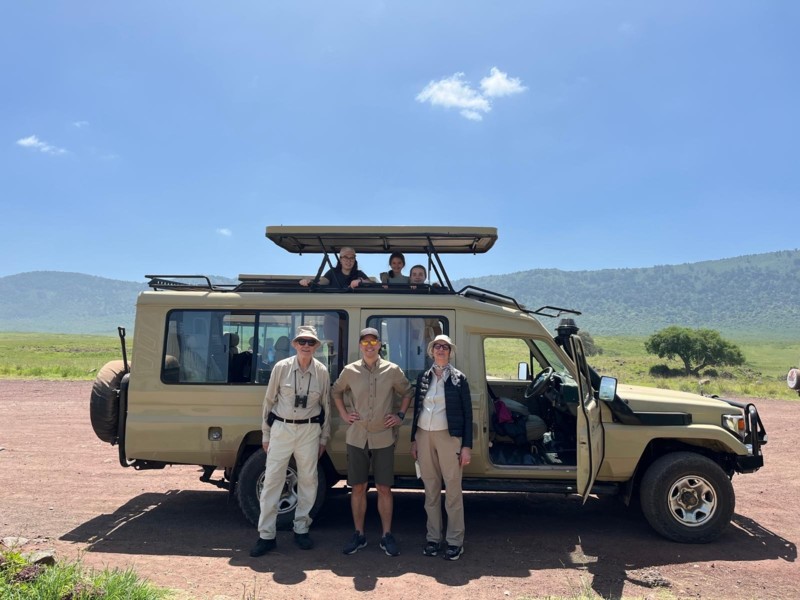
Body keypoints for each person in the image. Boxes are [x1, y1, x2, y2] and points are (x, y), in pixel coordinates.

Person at [249, 325, 331, 557]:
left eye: (310, 342)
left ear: (316, 346)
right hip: (282, 429)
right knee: (272, 481)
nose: (306, 346)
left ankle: (301, 529)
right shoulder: (281, 368)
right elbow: (269, 401)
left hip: (309, 430)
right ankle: (266, 535)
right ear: (295, 344)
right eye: (302, 341)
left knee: (308, 481)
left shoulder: (322, 371)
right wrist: (266, 434)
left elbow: (326, 406)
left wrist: (324, 438)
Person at [332, 327, 413, 557]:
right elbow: (336, 392)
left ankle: (386, 535)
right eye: (365, 342)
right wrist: (345, 414)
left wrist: (400, 415)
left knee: (384, 488)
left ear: (379, 345)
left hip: (383, 436)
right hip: (357, 436)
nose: (369, 346)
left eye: (373, 342)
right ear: (360, 346)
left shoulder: (392, 370)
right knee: (358, 487)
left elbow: (408, 392)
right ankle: (359, 534)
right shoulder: (350, 371)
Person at [410, 334, 472, 561]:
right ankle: (433, 538)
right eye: (437, 346)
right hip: (424, 436)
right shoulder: (424, 377)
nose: (441, 350)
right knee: (431, 490)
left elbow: (467, 415)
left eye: (445, 347)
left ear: (450, 352)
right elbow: (417, 409)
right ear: (431, 351)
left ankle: (455, 541)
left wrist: (466, 446)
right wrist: (414, 439)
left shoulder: (459, 379)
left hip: (449, 437)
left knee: (453, 490)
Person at [299, 247, 369, 289]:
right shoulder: (332, 272)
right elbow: (322, 282)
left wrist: (360, 281)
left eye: (352, 258)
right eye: (345, 257)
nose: (349, 260)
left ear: (354, 260)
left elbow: (371, 283)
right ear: (340, 259)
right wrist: (309, 281)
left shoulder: (359, 273)